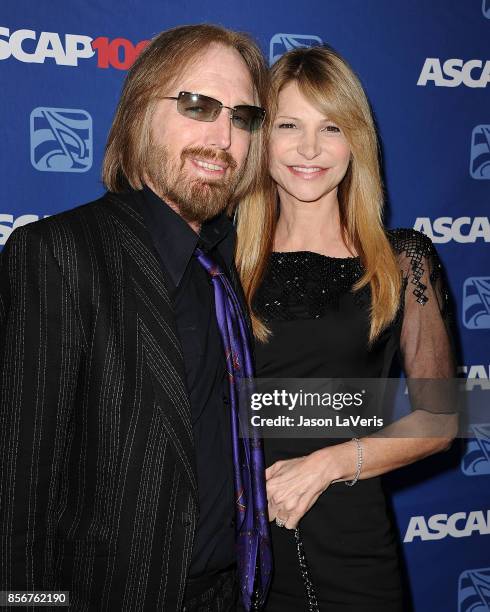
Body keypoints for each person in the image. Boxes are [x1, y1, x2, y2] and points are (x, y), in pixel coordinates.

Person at [0, 24, 272, 612]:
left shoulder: (231, 269)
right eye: (197, 106)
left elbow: (275, 408)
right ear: (140, 113)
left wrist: (364, 447)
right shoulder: (59, 253)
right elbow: (15, 501)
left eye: (243, 117)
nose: (223, 137)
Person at [235, 45, 458, 611]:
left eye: (330, 127)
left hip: (354, 548)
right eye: (290, 125)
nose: (309, 149)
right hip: (238, 546)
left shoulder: (403, 260)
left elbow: (441, 418)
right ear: (263, 138)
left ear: (355, 141)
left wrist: (329, 463)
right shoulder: (222, 260)